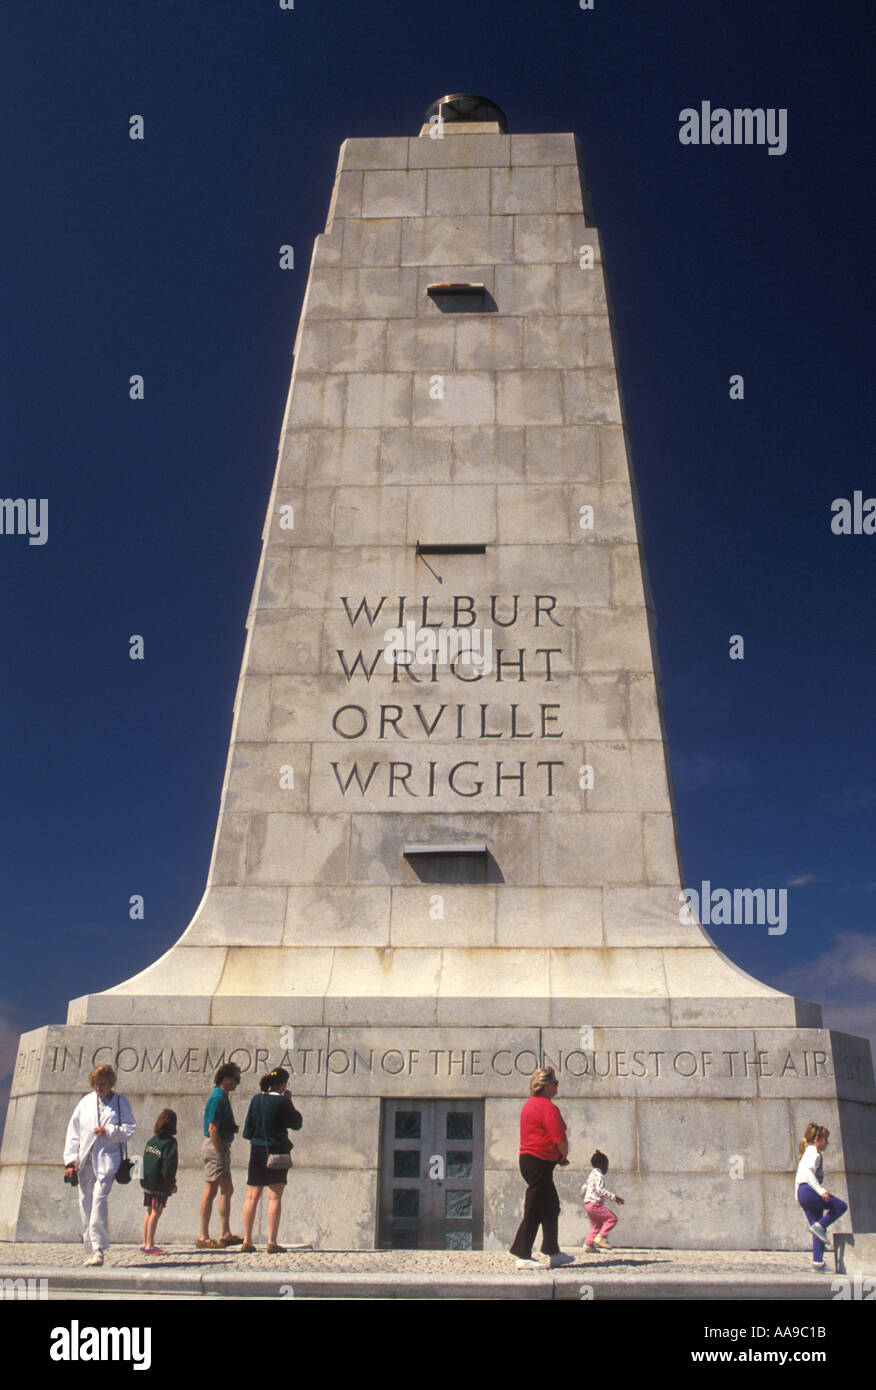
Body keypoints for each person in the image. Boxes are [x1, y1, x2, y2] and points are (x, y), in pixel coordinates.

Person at [63, 1064, 136, 1267]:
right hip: (85, 1160)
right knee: (85, 1202)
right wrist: (70, 1160)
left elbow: (130, 1128)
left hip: (107, 1159)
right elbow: (74, 1132)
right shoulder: (85, 1103)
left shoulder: (120, 1103)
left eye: (103, 1084)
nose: (99, 1088)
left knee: (98, 1200)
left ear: (111, 1083)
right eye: (96, 1084)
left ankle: (99, 1248)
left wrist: (109, 1131)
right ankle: (91, 1246)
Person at [509, 1066, 575, 1269]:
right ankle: (522, 1254)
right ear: (545, 1085)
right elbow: (558, 1137)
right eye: (554, 1082)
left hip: (533, 1161)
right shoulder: (547, 1107)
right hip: (538, 1162)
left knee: (551, 1205)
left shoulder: (530, 1105)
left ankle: (552, 1251)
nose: (557, 1085)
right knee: (535, 1207)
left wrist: (557, 1156)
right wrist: (563, 1155)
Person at [240, 1068, 303, 1254]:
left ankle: (247, 1240)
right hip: (277, 1151)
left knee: (251, 1196)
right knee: (274, 1197)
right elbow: (297, 1123)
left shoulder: (256, 1099)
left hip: (257, 1150)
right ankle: (271, 1241)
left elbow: (247, 1131)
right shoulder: (283, 1101)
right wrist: (289, 1101)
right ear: (283, 1084)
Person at [198, 1062, 243, 1249]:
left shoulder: (222, 1096)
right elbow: (212, 1128)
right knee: (212, 1189)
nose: (237, 1084)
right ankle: (203, 1235)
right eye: (236, 1080)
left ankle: (225, 1232)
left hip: (221, 1146)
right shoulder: (217, 1098)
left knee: (227, 1189)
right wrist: (220, 1153)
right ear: (226, 1079)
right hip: (216, 1146)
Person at [795, 1122, 848, 1271]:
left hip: (802, 1192)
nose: (828, 1143)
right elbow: (808, 1174)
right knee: (840, 1206)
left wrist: (797, 1197)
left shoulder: (806, 1153)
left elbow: (799, 1176)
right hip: (809, 1190)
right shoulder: (814, 1154)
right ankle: (821, 1226)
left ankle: (817, 1263)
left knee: (816, 1226)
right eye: (826, 1140)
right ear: (818, 1139)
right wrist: (821, 1191)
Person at [140, 1109, 178, 1255]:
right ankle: (150, 1244)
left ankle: (144, 1242)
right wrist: (171, 1185)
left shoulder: (151, 1141)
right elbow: (169, 1166)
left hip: (148, 1182)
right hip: (160, 1183)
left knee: (149, 1211)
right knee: (156, 1212)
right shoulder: (170, 1143)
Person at [581, 1149, 625, 1251]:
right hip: (595, 1204)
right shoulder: (599, 1175)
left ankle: (588, 1244)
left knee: (597, 1225)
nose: (607, 1168)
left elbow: (584, 1188)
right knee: (612, 1218)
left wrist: (584, 1196)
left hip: (588, 1204)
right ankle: (601, 1237)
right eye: (606, 1165)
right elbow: (600, 1190)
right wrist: (614, 1197)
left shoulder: (591, 1175)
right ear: (601, 1164)